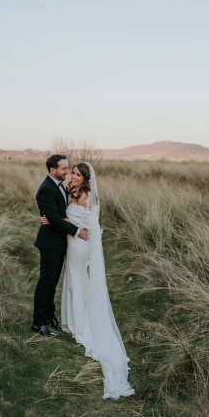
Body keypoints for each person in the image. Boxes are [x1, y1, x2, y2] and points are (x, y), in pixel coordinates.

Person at [42, 162, 135, 400]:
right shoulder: (70, 191)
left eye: (77, 174)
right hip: (72, 242)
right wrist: (51, 220)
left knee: (77, 278)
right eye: (71, 172)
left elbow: (91, 224)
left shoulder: (87, 195)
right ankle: (74, 320)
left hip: (80, 245)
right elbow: (63, 216)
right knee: (72, 279)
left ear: (85, 178)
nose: (73, 176)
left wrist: (79, 231)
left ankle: (82, 325)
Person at [32, 154, 88, 338]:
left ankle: (50, 316)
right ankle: (38, 323)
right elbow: (54, 218)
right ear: (52, 170)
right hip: (49, 243)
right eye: (64, 168)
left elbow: (58, 215)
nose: (67, 171)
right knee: (46, 283)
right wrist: (78, 231)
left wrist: (56, 219)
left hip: (59, 242)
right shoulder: (46, 189)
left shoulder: (60, 186)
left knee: (53, 282)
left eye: (67, 168)